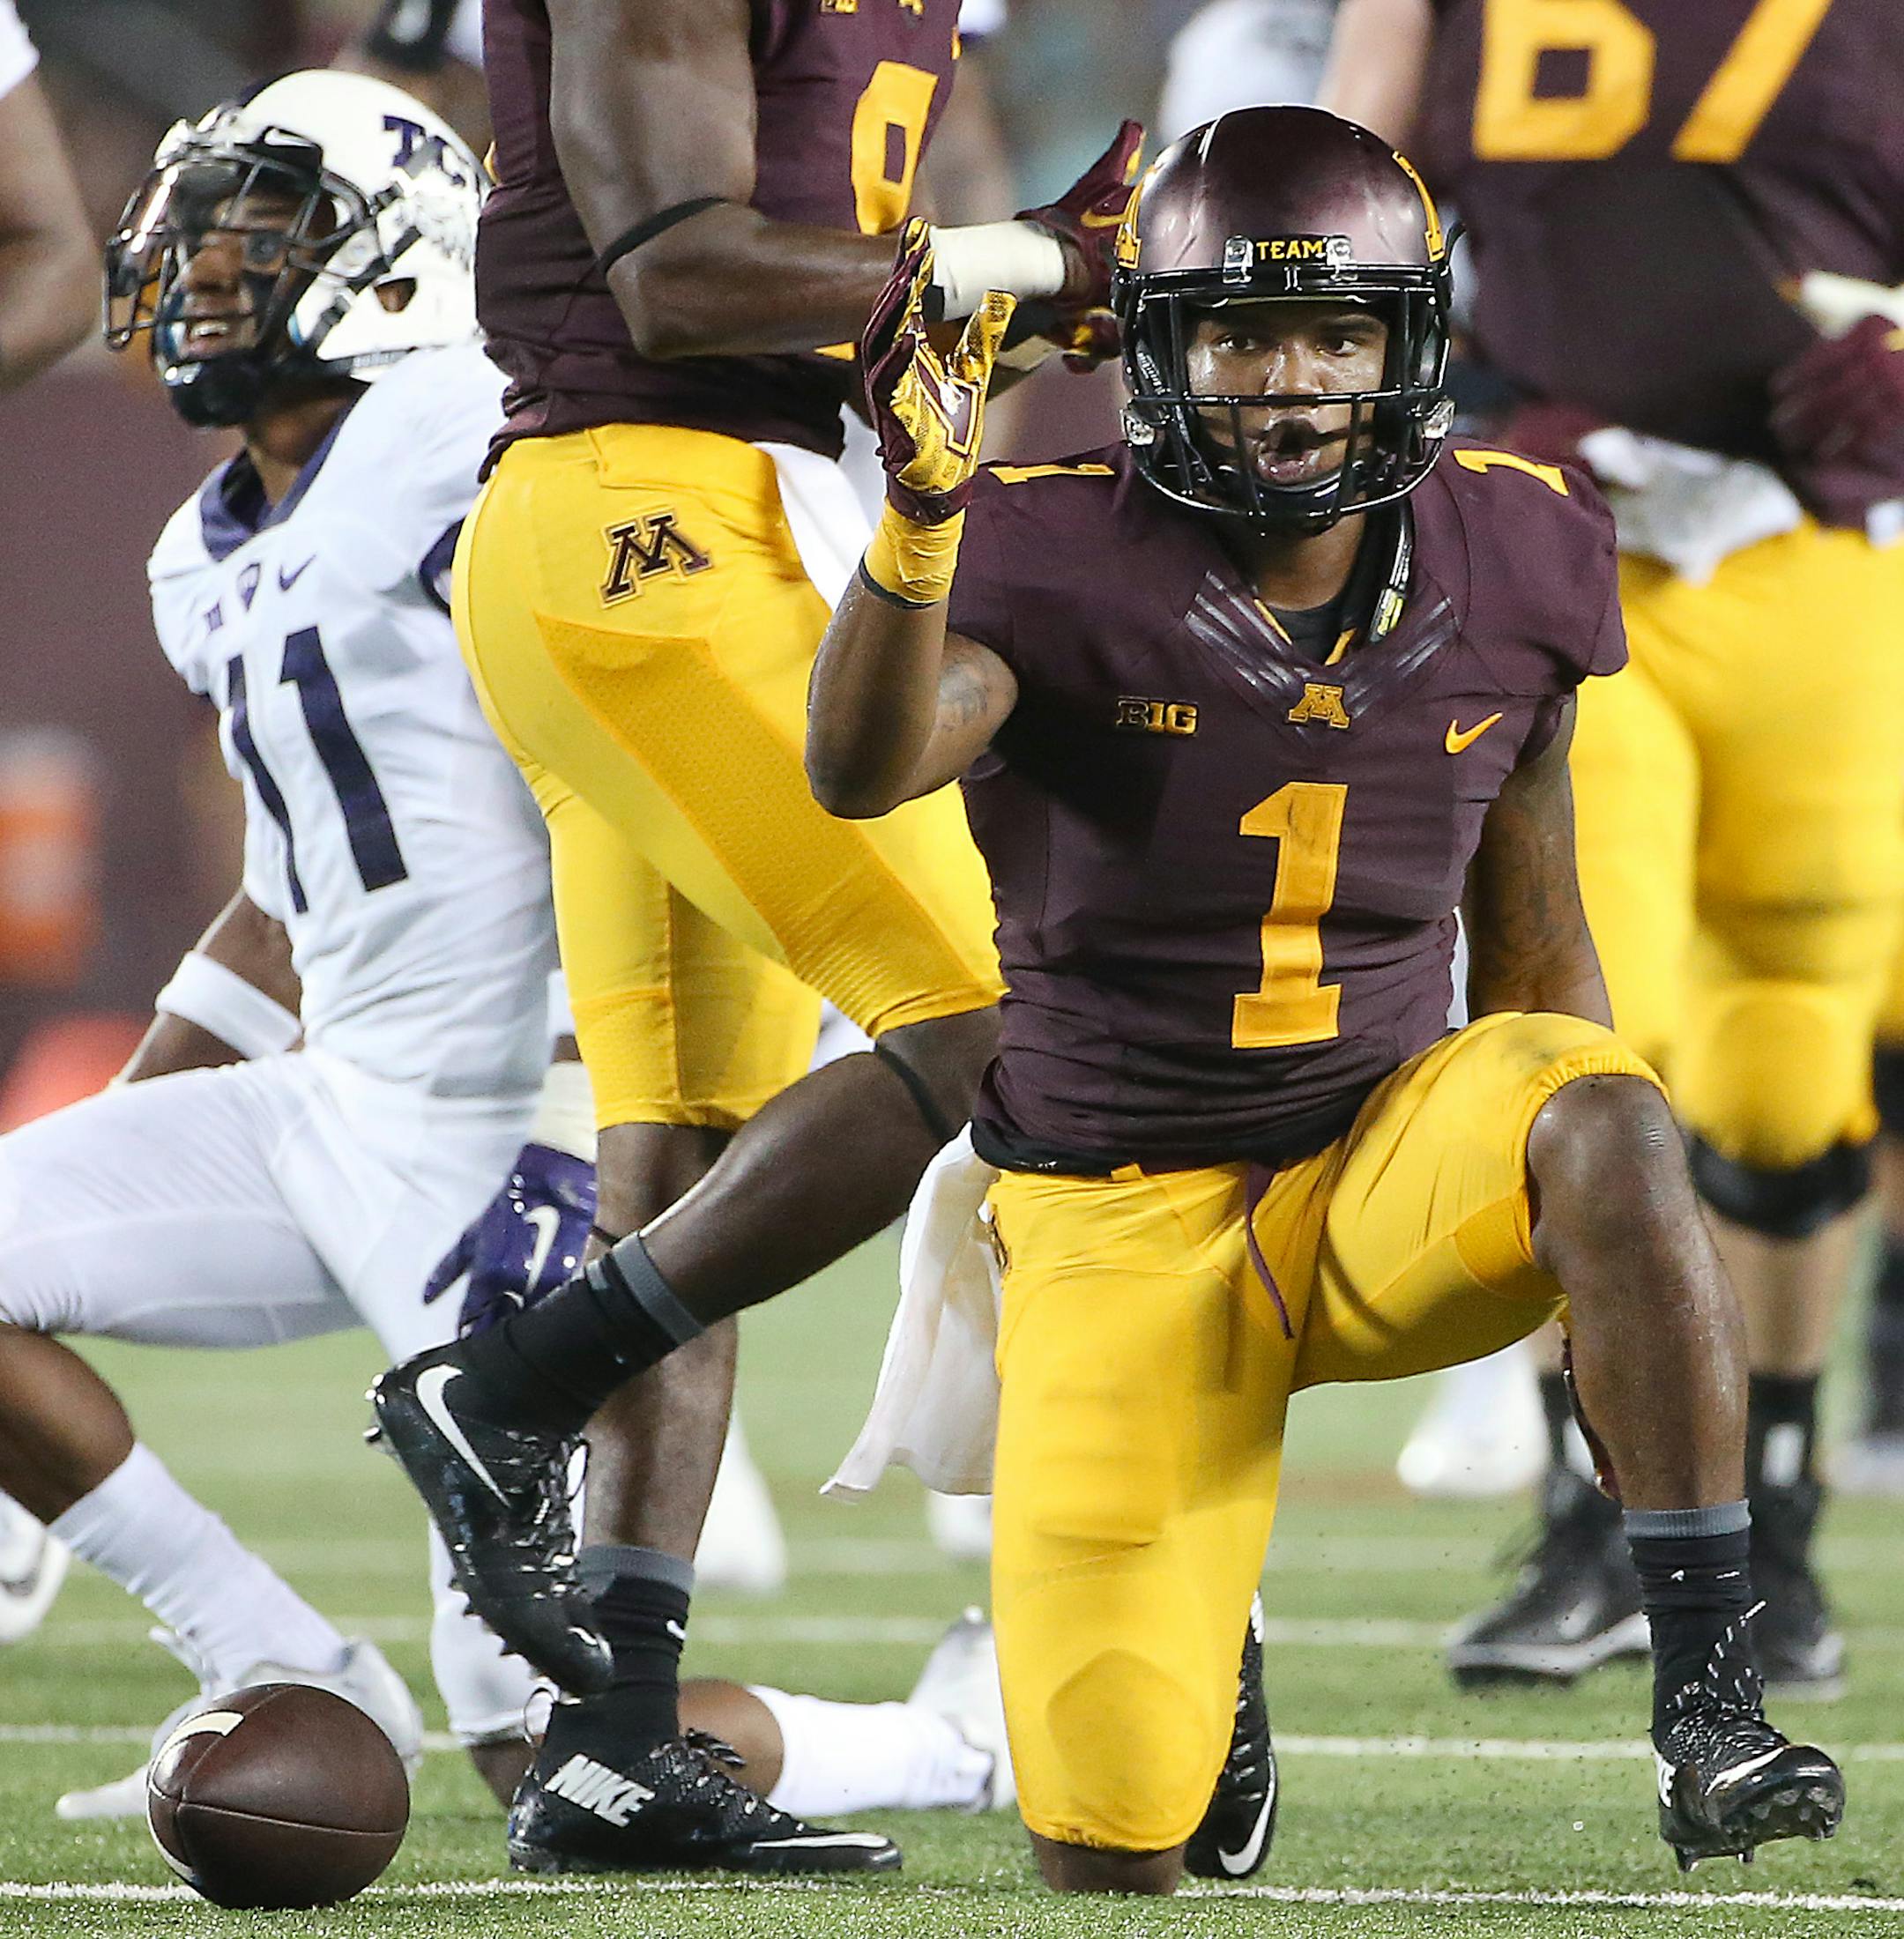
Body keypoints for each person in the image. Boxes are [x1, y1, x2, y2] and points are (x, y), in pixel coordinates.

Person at [804, 108, 1845, 1892]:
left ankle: (1712, 1697)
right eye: (1235, 333)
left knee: (1605, 1101)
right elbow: (864, 762)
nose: (1287, 381)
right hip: (1119, 1218)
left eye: (1337, 333)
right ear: (1160, 348)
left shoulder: (1521, 546)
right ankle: (1219, 1643)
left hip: (1374, 1169)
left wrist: (1611, 1249)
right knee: (1111, 1846)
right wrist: (914, 519)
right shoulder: (1041, 544)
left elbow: (1534, 952)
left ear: (1407, 348)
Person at [8, 71, 1007, 1851]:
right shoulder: (197, 548)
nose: (209, 272)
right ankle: (267, 1652)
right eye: (207, 233)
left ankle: (952, 1736)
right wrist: (151, 1115)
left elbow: (616, 732)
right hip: (333, 1105)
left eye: (263, 231)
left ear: (397, 260)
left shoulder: (466, 429)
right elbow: (292, 893)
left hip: (517, 1122)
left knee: (549, 1748)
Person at [365, 0, 1152, 1876]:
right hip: (650, 513)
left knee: (686, 1156)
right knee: (1007, 1037)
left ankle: (620, 1738)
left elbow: (864, 281)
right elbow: (686, 276)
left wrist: (1074, 294)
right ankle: (513, 1383)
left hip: (729, 513)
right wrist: (1030, 260)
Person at [1323, 0, 1904, 1698]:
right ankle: (1605, 1523)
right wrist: (1455, 411)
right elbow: (1353, 218)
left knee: (1793, 1062)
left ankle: (1778, 1531)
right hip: (1561, 530)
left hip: (1824, 549)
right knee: (1574, 1038)